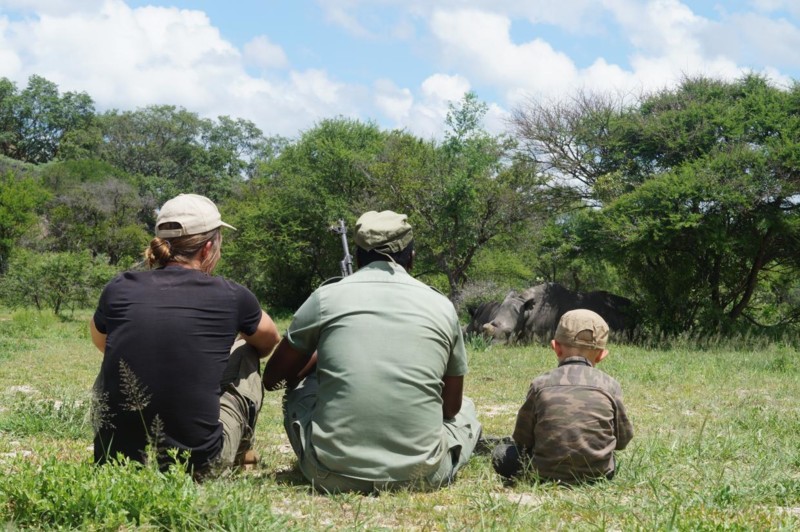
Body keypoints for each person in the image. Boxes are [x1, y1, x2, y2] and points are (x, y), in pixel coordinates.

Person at [263, 210, 482, 493]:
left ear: (357, 258)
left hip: (328, 474)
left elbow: (273, 380)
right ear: (411, 258)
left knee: (301, 390)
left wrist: (319, 354)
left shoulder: (325, 297)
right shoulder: (442, 306)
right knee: (467, 408)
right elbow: (450, 408)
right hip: (422, 476)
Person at [89, 193, 281, 477]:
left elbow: (101, 342)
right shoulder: (232, 295)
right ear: (207, 247)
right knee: (247, 350)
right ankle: (240, 453)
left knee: (119, 355)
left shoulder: (118, 288)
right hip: (199, 464)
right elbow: (270, 339)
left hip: (116, 460)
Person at [491, 309, 633, 484]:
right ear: (602, 355)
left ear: (556, 347)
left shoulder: (540, 384)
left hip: (543, 474)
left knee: (501, 453)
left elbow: (523, 438)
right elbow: (622, 440)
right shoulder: (611, 386)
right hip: (598, 475)